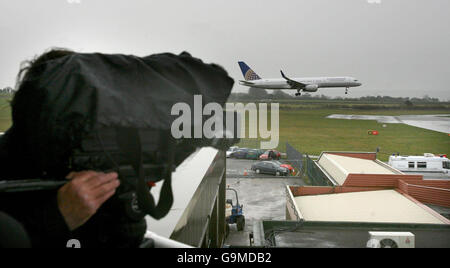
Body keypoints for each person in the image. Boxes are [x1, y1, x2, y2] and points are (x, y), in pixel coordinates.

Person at [0, 49, 144, 248]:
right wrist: (58, 218)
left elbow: (127, 239)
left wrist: (127, 198)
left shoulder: (91, 157)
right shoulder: (9, 169)